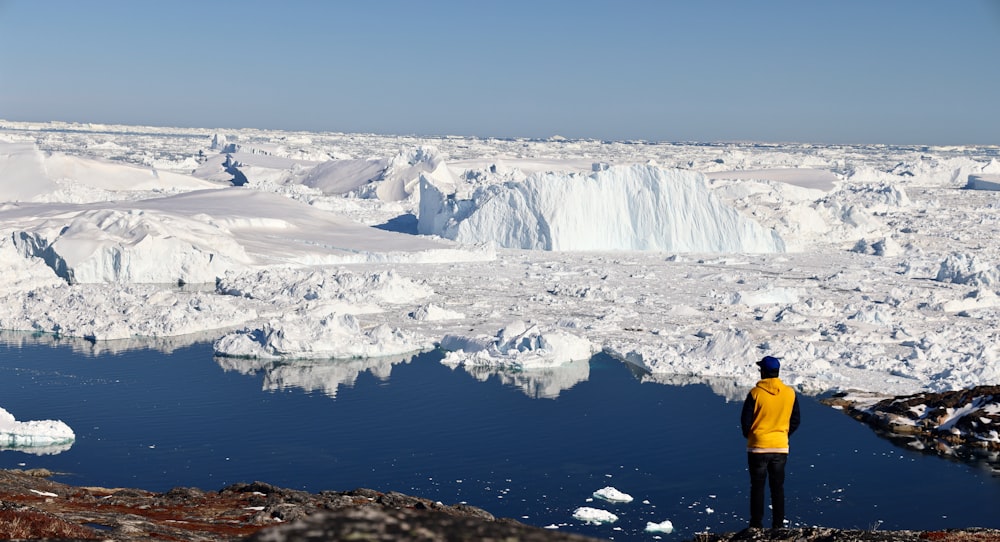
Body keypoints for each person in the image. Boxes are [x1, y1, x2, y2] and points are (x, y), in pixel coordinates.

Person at [740, 355, 801, 529]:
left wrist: (753, 436)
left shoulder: (755, 393)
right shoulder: (790, 393)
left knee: (757, 487)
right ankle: (778, 526)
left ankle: (756, 525)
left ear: (764, 372)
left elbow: (745, 421)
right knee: (777, 487)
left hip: (758, 447)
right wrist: (783, 435)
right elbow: (795, 420)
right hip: (780, 447)